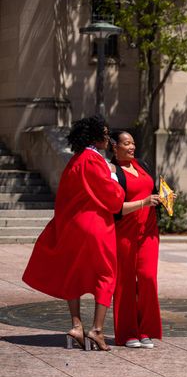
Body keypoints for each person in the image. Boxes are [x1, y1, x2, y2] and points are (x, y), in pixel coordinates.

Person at [22, 115, 125, 351]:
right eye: (106, 133)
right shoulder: (94, 160)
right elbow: (112, 196)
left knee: (74, 272)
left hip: (73, 224)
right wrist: (114, 177)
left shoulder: (75, 160)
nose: (109, 139)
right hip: (95, 223)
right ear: (96, 136)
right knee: (106, 273)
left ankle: (76, 326)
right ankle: (97, 330)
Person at [109, 130, 162, 349]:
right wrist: (144, 202)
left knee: (148, 279)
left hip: (149, 232)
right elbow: (115, 208)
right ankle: (128, 332)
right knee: (126, 283)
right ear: (115, 147)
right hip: (125, 233)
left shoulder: (142, 165)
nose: (131, 147)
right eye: (126, 143)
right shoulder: (113, 172)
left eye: (133, 143)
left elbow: (153, 193)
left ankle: (146, 330)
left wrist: (164, 199)